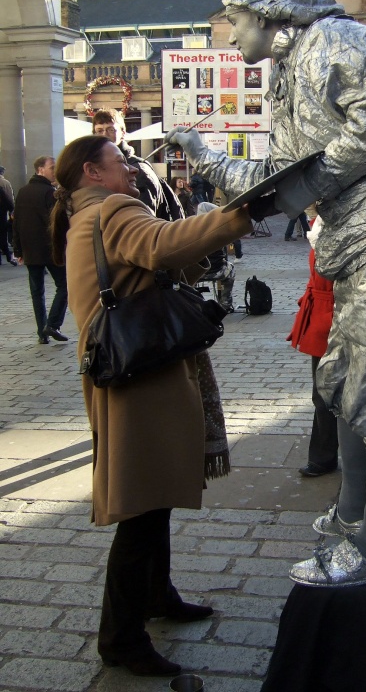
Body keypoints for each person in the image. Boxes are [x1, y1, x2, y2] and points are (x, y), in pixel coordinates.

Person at [167, 0, 366, 588]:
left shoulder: (339, 41)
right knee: (348, 384)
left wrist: (323, 175)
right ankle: (354, 516)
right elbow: (280, 177)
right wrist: (205, 158)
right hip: (360, 244)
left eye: (236, 22)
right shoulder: (291, 70)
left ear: (269, 15)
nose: (229, 40)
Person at [49, 134, 255, 675]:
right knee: (142, 507)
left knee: (153, 494)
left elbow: (148, 267)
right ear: (94, 172)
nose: (132, 170)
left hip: (128, 368)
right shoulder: (112, 207)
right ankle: (120, 639)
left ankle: (158, 596)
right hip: (140, 374)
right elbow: (160, 246)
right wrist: (235, 218)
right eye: (120, 162)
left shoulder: (87, 212)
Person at [288, 215, 338, 476]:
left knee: (332, 391)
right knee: (322, 392)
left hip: (339, 316)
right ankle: (324, 455)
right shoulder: (322, 221)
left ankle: (327, 455)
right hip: (324, 313)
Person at [12, 156, 68, 344]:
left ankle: (42, 333)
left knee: (37, 292)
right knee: (65, 285)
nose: (54, 171)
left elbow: (16, 223)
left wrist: (19, 250)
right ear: (40, 170)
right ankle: (52, 324)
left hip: (31, 251)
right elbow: (57, 224)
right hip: (50, 249)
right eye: (52, 168)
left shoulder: (22, 192)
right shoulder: (50, 193)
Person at [92, 108, 181, 221]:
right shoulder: (98, 167)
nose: (104, 135)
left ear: (122, 133)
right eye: (99, 131)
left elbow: (145, 219)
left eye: (111, 130)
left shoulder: (138, 169)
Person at [196, 201, 236, 313]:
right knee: (230, 269)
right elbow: (225, 255)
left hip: (198, 272)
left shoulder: (193, 231)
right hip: (217, 270)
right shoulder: (220, 231)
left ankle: (193, 302)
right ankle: (225, 304)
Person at [0, 166, 16, 266]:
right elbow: (9, 198)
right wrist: (12, 210)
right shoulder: (5, 183)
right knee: (2, 235)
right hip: (2, 213)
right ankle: (8, 256)